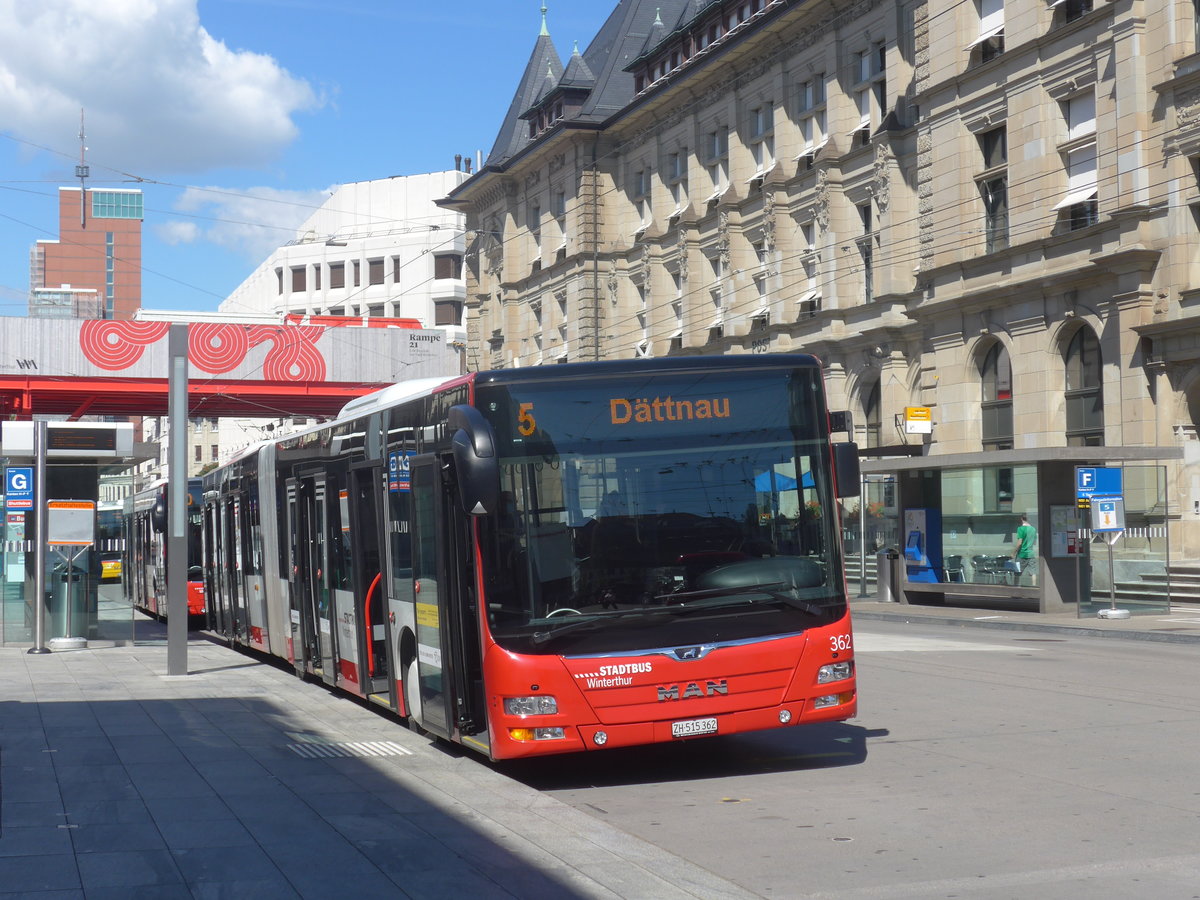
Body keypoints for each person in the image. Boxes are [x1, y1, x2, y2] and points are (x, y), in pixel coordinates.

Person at [1012, 513, 1037, 583]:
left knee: (1017, 573)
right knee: (1033, 573)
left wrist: (1013, 553)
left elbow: (1019, 543)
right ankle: (1034, 587)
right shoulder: (1033, 529)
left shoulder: (1020, 529)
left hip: (1021, 554)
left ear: (1021, 519)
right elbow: (1034, 542)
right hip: (1031, 554)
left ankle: (1016, 588)